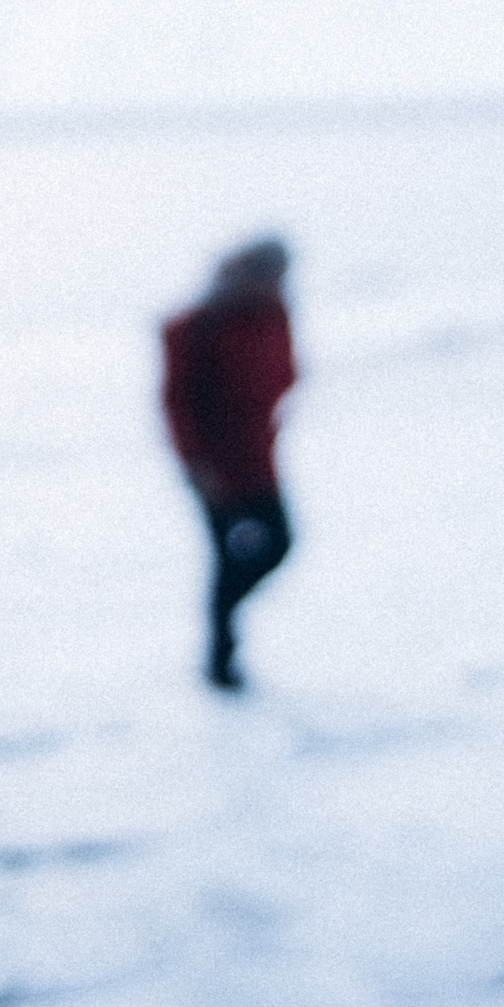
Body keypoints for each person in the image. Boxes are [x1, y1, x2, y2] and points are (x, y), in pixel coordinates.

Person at [161, 237, 298, 691]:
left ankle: (225, 628)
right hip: (213, 466)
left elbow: (284, 374)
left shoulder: (274, 315)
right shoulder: (196, 326)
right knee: (226, 557)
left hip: (259, 457)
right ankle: (220, 658)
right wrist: (195, 464)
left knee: (278, 543)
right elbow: (178, 403)